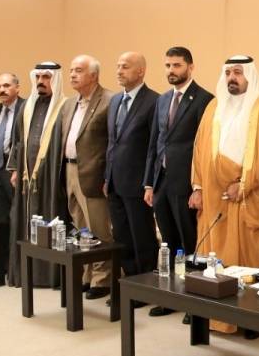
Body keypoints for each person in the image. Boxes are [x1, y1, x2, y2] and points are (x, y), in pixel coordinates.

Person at [191, 55, 259, 336]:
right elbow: (199, 149)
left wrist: (244, 184)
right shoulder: (214, 106)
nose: (232, 78)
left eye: (238, 72)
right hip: (215, 198)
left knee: (251, 261)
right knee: (214, 258)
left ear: (250, 76)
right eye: (229, 72)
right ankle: (216, 315)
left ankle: (253, 319)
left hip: (248, 198)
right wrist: (198, 187)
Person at [144, 47, 213, 317]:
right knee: (169, 244)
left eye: (176, 65)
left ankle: (193, 304)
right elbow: (155, 143)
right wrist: (149, 184)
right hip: (161, 183)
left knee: (189, 243)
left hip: (186, 185)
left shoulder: (205, 99)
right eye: (168, 65)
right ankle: (171, 297)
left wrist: (199, 187)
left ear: (190, 67)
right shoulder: (162, 100)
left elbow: (203, 148)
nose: (171, 71)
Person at [8, 62, 68, 288]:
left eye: (46, 77)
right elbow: (17, 141)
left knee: (50, 219)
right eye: (38, 77)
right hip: (26, 177)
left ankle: (49, 276)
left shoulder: (64, 106)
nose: (41, 81)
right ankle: (25, 272)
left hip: (51, 176)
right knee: (23, 220)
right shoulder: (27, 107)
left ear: (56, 79)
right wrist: (15, 169)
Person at [61, 55, 116, 300]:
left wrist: (108, 176)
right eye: (71, 70)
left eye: (79, 70)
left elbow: (112, 143)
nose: (73, 74)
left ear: (93, 75)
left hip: (95, 174)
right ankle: (87, 273)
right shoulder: (69, 104)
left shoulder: (109, 100)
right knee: (80, 226)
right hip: (70, 170)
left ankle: (103, 278)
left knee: (99, 229)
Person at [106, 52, 159, 286]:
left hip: (138, 183)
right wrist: (106, 177)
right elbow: (112, 142)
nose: (119, 71)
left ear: (140, 71)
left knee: (142, 237)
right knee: (122, 237)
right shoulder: (115, 100)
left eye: (125, 67)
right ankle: (129, 285)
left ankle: (145, 286)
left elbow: (153, 147)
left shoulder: (154, 101)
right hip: (115, 182)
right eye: (118, 66)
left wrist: (149, 182)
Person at [0, 73, 24, 284]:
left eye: (7, 85)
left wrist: (17, 168)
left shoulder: (25, 109)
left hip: (14, 170)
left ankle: (15, 265)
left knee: (16, 219)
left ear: (17, 87)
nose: (2, 90)